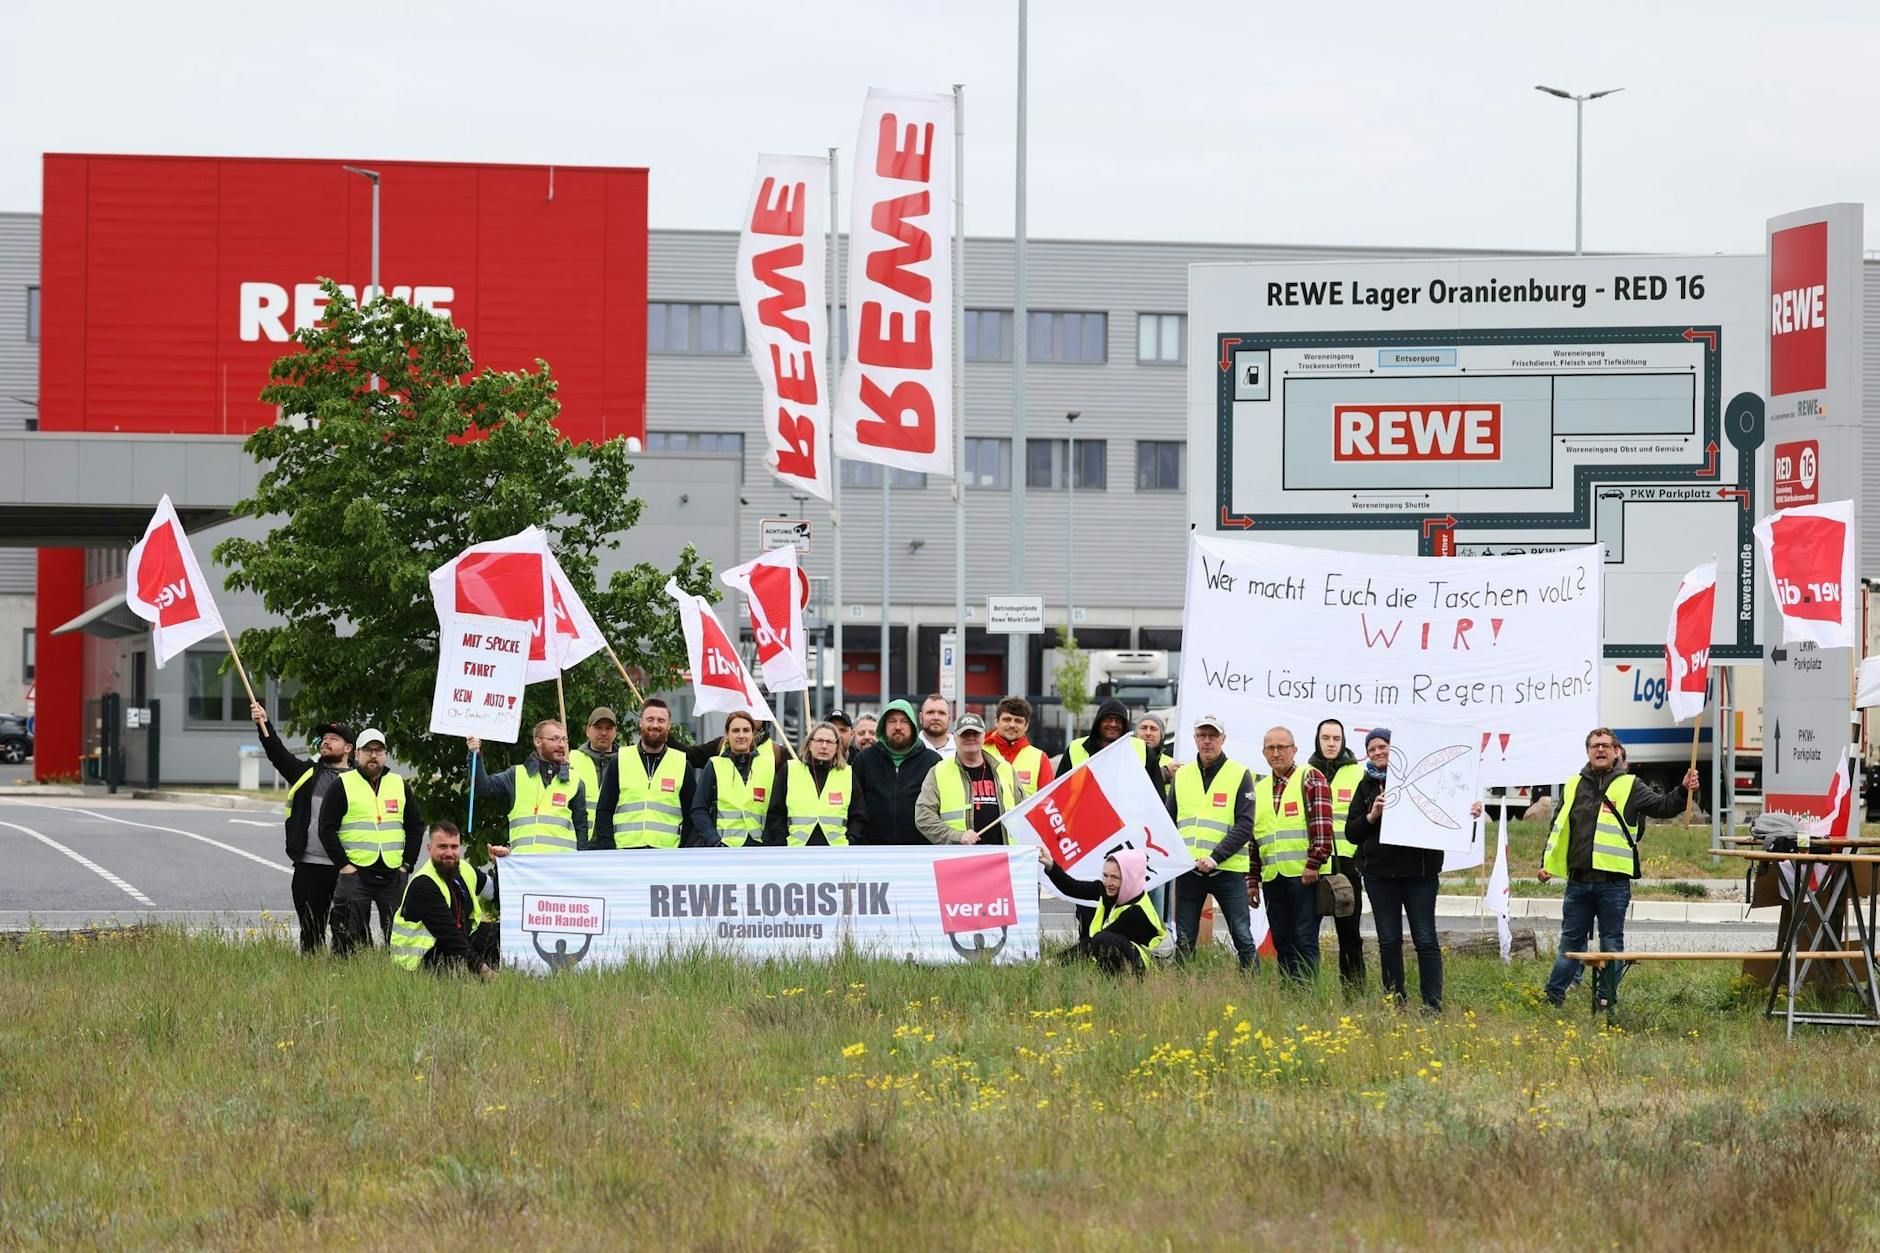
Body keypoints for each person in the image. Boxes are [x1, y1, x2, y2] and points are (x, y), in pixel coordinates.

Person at [1541, 728, 1699, 1009]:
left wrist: (1683, 790)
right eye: (1594, 746)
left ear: (1616, 751)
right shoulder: (1573, 784)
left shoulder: (1631, 785)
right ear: (1587, 751)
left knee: (1611, 946)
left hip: (1613, 884)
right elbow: (1559, 827)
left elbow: (1662, 807)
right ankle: (1552, 999)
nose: (1600, 750)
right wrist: (1546, 863)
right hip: (1577, 882)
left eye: (1606, 746)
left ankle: (1606, 1000)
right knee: (1569, 945)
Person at [1344, 729, 1480, 1013]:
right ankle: (1396, 1002)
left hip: (1420, 875)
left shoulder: (1429, 780)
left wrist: (1470, 814)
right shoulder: (1366, 785)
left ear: (1398, 747)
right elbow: (1352, 833)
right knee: (1389, 940)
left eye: (1383, 746)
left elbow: (1454, 824)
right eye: (1372, 749)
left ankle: (1432, 1004)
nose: (1378, 752)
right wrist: (1372, 816)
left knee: (1426, 939)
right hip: (1379, 876)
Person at [251, 700, 353, 954]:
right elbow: (278, 755)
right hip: (310, 867)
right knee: (311, 933)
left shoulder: (360, 780)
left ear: (349, 748)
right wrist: (264, 724)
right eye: (324, 738)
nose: (326, 742)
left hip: (348, 868)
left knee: (346, 935)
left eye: (333, 738)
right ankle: (310, 977)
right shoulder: (307, 774)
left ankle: (345, 979)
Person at [1168, 715, 1259, 969]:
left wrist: (1215, 857)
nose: (1207, 741)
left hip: (1227, 871)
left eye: (1213, 736)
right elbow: (1169, 821)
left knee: (1242, 937)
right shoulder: (1182, 775)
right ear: (1195, 738)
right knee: (1184, 940)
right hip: (1189, 871)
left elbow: (1245, 825)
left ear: (1223, 739)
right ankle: (1183, 992)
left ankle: (1253, 989)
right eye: (1202, 735)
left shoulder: (1240, 774)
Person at [329, 727, 425, 955]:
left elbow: (415, 827)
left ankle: (398, 973)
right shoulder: (343, 784)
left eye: (379, 750)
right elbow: (327, 829)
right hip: (355, 871)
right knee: (348, 935)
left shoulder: (399, 784)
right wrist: (344, 865)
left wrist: (407, 865)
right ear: (356, 754)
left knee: (399, 933)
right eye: (368, 750)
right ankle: (346, 975)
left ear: (385, 754)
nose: (374, 755)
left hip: (393, 872)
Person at [1251, 725, 1335, 981]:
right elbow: (1255, 840)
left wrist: (1314, 864)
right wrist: (1253, 881)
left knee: (1305, 939)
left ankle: (1308, 993)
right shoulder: (1260, 787)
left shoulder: (1310, 777)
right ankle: (1291, 993)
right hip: (1273, 877)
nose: (1276, 753)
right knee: (1282, 940)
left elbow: (1322, 824)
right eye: (1270, 748)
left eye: (1281, 747)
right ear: (1264, 753)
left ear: (1294, 750)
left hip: (1304, 876)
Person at [390, 820, 501, 974]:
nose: (449, 853)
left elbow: (498, 894)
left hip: (454, 941)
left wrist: (501, 864)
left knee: (499, 932)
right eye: (442, 846)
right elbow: (450, 937)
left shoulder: (465, 869)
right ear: (429, 849)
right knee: (455, 954)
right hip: (420, 961)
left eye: (454, 846)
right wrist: (488, 973)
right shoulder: (424, 884)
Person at [599, 699, 712, 849]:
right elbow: (604, 811)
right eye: (650, 719)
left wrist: (683, 851)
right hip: (624, 855)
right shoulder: (620, 761)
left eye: (661, 720)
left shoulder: (682, 764)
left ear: (669, 726)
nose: (655, 725)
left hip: (667, 857)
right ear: (641, 722)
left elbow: (691, 816)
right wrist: (609, 850)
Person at [466, 719, 589, 855]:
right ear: (538, 742)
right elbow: (484, 787)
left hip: (561, 868)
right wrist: (475, 755)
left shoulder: (575, 781)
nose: (561, 745)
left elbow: (581, 828)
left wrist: (580, 863)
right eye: (554, 739)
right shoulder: (516, 775)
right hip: (525, 867)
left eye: (563, 740)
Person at [1039, 846, 1166, 975]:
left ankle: (1115, 983)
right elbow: (1073, 887)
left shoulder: (1137, 912)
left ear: (1130, 879)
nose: (1108, 882)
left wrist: (1054, 962)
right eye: (1105, 876)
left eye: (1115, 877)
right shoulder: (1107, 890)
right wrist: (1050, 865)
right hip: (1126, 954)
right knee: (1102, 941)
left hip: (1148, 967)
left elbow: (1092, 943)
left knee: (1103, 940)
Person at [1310, 717, 1369, 991]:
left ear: (1343, 741)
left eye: (1336, 739)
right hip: (1313, 865)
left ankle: (1354, 993)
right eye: (1326, 738)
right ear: (1317, 740)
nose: (1331, 743)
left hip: (1347, 865)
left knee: (1349, 935)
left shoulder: (1358, 774)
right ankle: (1309, 991)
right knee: (1307, 934)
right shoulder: (1306, 773)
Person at [917, 714, 1018, 845]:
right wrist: (956, 837)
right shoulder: (938, 771)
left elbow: (1026, 811)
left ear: (983, 736)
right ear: (955, 737)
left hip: (1003, 859)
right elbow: (923, 818)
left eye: (975, 733)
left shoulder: (1005, 769)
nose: (970, 738)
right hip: (958, 860)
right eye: (965, 734)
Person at [851, 699, 942, 844]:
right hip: (871, 850)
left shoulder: (932, 761)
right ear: (883, 726)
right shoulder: (864, 760)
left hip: (920, 851)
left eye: (904, 721)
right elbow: (855, 808)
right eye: (892, 721)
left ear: (912, 725)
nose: (898, 727)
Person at [691, 709, 782, 847]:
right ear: (727, 734)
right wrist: (714, 841)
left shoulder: (768, 765)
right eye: (735, 730)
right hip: (724, 847)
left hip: (759, 847)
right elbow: (699, 809)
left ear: (753, 734)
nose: (741, 735)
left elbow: (776, 811)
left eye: (746, 730)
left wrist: (768, 841)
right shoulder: (714, 765)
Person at [772, 722, 864, 846]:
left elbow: (858, 816)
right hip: (796, 850)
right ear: (809, 744)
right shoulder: (789, 770)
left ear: (837, 746)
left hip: (837, 851)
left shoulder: (847, 774)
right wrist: (782, 843)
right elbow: (776, 812)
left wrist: (851, 840)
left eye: (830, 742)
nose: (824, 746)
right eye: (819, 740)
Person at [985, 695, 1054, 799]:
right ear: (996, 722)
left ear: (1026, 725)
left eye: (1018, 721)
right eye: (1007, 719)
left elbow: (1048, 800)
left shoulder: (1040, 759)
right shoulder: (980, 752)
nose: (1012, 725)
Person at [569, 706, 619, 822]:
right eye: (598, 728)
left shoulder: (625, 761)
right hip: (581, 835)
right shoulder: (571, 759)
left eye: (609, 728)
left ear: (615, 732)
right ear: (587, 731)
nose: (603, 733)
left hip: (614, 836)